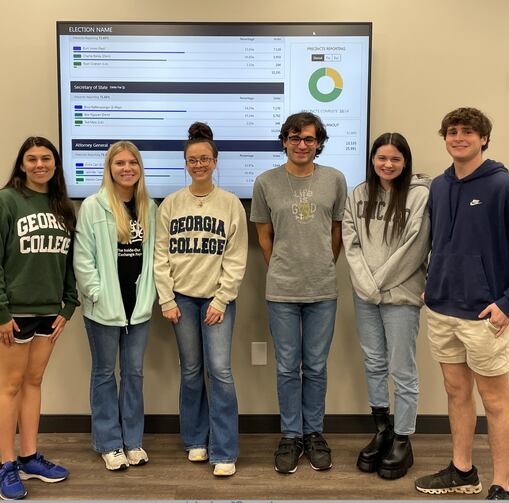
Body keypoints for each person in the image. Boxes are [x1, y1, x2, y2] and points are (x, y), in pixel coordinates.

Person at [415, 108, 509, 500]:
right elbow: (439, 244)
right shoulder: (439, 186)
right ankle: (462, 470)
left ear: (484, 139)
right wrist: (433, 285)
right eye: (452, 131)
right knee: (456, 393)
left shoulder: (507, 188)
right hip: (441, 310)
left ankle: (501, 483)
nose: (459, 137)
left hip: (486, 316)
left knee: (495, 400)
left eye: (468, 132)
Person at [0, 136, 78, 500]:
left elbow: (67, 263)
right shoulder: (4, 202)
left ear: (54, 164)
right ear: (22, 164)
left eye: (46, 158)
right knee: (11, 385)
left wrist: (67, 305)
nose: (39, 164)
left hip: (49, 313)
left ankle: (30, 456)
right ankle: (6, 465)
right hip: (12, 315)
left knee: (34, 382)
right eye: (31, 159)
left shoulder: (62, 206)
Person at [250, 112, 347, 474]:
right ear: (284, 141)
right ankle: (291, 435)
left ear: (318, 142)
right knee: (289, 367)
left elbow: (336, 231)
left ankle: (314, 434)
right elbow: (263, 236)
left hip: (323, 289)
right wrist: (282, 268)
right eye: (295, 138)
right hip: (282, 291)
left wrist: (323, 264)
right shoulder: (266, 182)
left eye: (308, 138)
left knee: (317, 367)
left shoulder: (335, 180)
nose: (302, 144)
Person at [154, 122, 248, 477]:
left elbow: (237, 258)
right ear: (185, 162)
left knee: (220, 372)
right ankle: (195, 439)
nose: (199, 165)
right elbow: (160, 255)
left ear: (215, 161)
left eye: (205, 159)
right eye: (192, 160)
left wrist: (222, 299)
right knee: (191, 371)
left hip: (216, 302)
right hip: (181, 300)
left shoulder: (230, 204)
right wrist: (166, 299)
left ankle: (224, 449)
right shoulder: (172, 205)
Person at [342, 133, 430, 480]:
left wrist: (377, 283)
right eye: (381, 158)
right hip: (365, 297)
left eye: (395, 159)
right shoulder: (358, 194)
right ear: (373, 160)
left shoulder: (420, 195)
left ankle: (404, 437)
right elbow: (350, 243)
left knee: (402, 369)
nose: (388, 164)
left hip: (401, 296)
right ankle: (383, 430)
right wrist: (367, 285)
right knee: (374, 363)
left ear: (405, 161)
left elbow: (415, 246)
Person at [73, 141, 157, 471]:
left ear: (139, 168)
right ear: (109, 169)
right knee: (105, 374)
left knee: (134, 374)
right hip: (104, 307)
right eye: (119, 163)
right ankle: (109, 442)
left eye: (132, 162)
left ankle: (132, 441)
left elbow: (154, 259)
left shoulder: (149, 206)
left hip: (137, 307)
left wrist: (150, 295)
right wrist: (95, 293)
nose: (126, 168)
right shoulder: (94, 206)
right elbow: (83, 258)